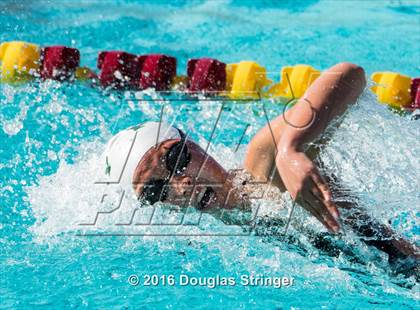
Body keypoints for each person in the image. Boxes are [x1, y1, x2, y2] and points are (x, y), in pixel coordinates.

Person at [102, 62, 418, 277]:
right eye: (156, 190)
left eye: (175, 159)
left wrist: (291, 148)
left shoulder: (262, 167)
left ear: (194, 144)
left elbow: (350, 74)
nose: (181, 186)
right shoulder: (211, 242)